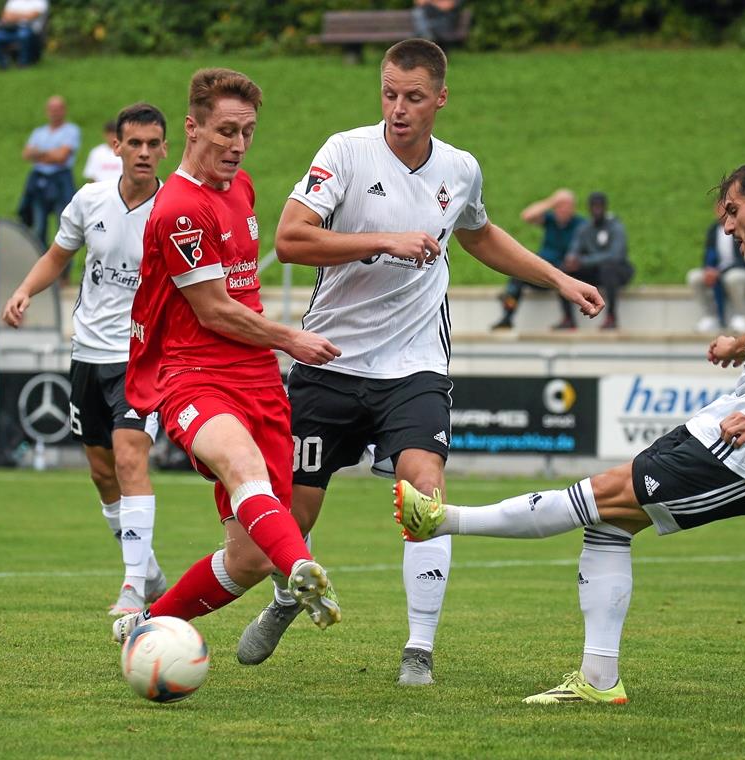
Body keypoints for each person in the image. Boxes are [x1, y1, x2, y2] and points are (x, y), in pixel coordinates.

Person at [395, 152, 745, 704]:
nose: (728, 224)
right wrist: (744, 345)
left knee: (598, 495)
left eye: (733, 211)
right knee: (609, 525)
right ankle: (598, 680)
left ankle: (443, 520)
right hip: (724, 432)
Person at [237, 39, 603, 686]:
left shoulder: (460, 169)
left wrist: (559, 281)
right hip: (329, 359)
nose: (398, 108)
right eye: (388, 93)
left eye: (412, 96)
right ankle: (287, 596)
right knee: (294, 517)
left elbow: (480, 234)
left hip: (413, 366)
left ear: (440, 98)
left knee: (424, 491)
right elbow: (290, 240)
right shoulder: (345, 151)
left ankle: (419, 650)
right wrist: (382, 240)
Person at [111, 68, 344, 647]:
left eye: (247, 133)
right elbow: (214, 310)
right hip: (194, 376)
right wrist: (291, 338)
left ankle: (148, 625)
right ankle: (302, 571)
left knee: (247, 558)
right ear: (191, 128)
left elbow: (240, 294)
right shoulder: (179, 209)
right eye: (225, 132)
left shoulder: (241, 188)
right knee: (243, 468)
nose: (237, 146)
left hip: (259, 379)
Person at [3, 102, 171, 615]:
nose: (144, 152)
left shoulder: (176, 211)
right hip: (88, 355)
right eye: (134, 143)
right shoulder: (89, 200)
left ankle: (130, 586)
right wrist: (25, 290)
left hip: (141, 358)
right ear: (115, 147)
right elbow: (59, 253)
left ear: (166, 148)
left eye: (153, 144)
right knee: (102, 472)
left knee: (128, 457)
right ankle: (152, 573)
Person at [492, 188, 586, 330]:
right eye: (559, 206)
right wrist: (552, 201)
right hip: (543, 269)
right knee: (516, 277)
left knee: (565, 278)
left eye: (567, 206)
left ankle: (569, 320)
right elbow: (526, 216)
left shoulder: (580, 224)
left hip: (563, 269)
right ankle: (507, 316)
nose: (563, 210)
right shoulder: (551, 220)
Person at [558, 191, 633, 330]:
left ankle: (611, 317)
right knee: (563, 271)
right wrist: (571, 259)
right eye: (594, 206)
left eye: (600, 206)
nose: (597, 210)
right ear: (589, 208)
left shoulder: (615, 226)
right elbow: (575, 247)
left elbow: (616, 255)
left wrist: (583, 261)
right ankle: (568, 319)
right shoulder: (584, 229)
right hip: (595, 272)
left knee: (608, 268)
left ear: (605, 207)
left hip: (618, 270)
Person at [18, 95, 80, 250]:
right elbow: (26, 154)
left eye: (58, 109)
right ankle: (40, 264)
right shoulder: (39, 132)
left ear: (64, 110)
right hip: (40, 182)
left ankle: (63, 271)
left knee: (64, 226)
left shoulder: (71, 130)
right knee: (39, 227)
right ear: (47, 111)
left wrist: (38, 154)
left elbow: (62, 157)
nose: (55, 112)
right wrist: (51, 154)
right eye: (52, 109)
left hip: (61, 181)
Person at [688, 207, 745, 333]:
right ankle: (710, 317)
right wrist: (708, 270)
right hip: (718, 271)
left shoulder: (741, 227)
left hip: (742, 270)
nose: (721, 213)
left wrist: (720, 272)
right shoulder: (713, 230)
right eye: (718, 209)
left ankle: (741, 316)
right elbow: (708, 255)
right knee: (694, 277)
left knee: (733, 278)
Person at [0, 0, 46, 69]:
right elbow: (5, 16)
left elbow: (32, 16)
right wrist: (24, 15)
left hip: (29, 30)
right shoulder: (13, 1)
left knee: (23, 36)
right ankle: (3, 62)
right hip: (10, 29)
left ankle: (23, 63)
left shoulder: (39, 1)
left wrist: (14, 15)